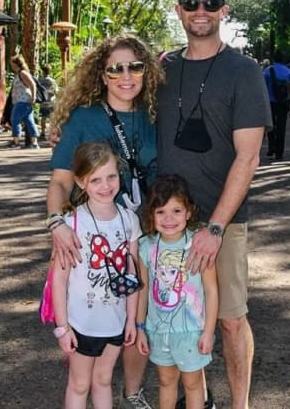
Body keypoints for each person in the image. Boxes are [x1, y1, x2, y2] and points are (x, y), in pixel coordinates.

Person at [158, 0, 270, 409]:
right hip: (167, 222)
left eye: (209, 3)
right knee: (176, 318)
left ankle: (239, 404)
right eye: (191, 3)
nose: (200, 11)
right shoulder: (162, 68)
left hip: (221, 223)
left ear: (224, 10)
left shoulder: (243, 71)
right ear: (179, 10)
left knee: (228, 319)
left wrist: (216, 228)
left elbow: (248, 157)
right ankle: (198, 400)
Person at [47, 35, 163, 409]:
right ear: (102, 73)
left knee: (137, 318)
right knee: (93, 316)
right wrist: (57, 224)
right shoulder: (84, 118)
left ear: (146, 71)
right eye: (116, 68)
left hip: (142, 232)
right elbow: (61, 181)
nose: (126, 75)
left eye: (135, 66)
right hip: (94, 231)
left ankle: (131, 392)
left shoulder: (154, 116)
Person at [50, 141, 141, 409]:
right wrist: (62, 327)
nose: (106, 186)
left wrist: (131, 321)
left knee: (103, 380)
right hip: (81, 323)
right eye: (96, 180)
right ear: (80, 182)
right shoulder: (72, 224)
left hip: (116, 321)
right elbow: (59, 279)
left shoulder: (129, 220)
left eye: (111, 176)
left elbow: (132, 279)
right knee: (79, 384)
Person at [136, 175, 219, 409]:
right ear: (151, 215)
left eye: (176, 211)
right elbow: (143, 291)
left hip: (192, 331)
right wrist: (140, 327)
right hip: (158, 330)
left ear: (189, 212)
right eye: (161, 212)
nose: (169, 218)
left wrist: (209, 331)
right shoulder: (146, 246)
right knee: (165, 381)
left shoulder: (199, 244)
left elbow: (211, 290)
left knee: (193, 385)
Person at [263, 53, 290, 161]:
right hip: (284, 102)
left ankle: (271, 148)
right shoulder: (288, 71)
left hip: (270, 101)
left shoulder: (267, 71)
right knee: (282, 127)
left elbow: (264, 88)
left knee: (270, 125)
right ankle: (279, 153)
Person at [8, 53, 40, 148]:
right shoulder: (19, 74)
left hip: (23, 101)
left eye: (12, 63)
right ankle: (34, 142)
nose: (11, 66)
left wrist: (33, 97)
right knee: (29, 121)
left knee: (15, 119)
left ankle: (16, 141)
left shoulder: (23, 73)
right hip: (22, 101)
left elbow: (32, 84)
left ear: (16, 64)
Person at [38, 64, 59, 139]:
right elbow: (56, 91)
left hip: (43, 102)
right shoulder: (52, 81)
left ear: (42, 71)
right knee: (52, 118)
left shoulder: (39, 80)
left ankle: (43, 133)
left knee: (43, 117)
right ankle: (52, 133)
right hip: (51, 102)